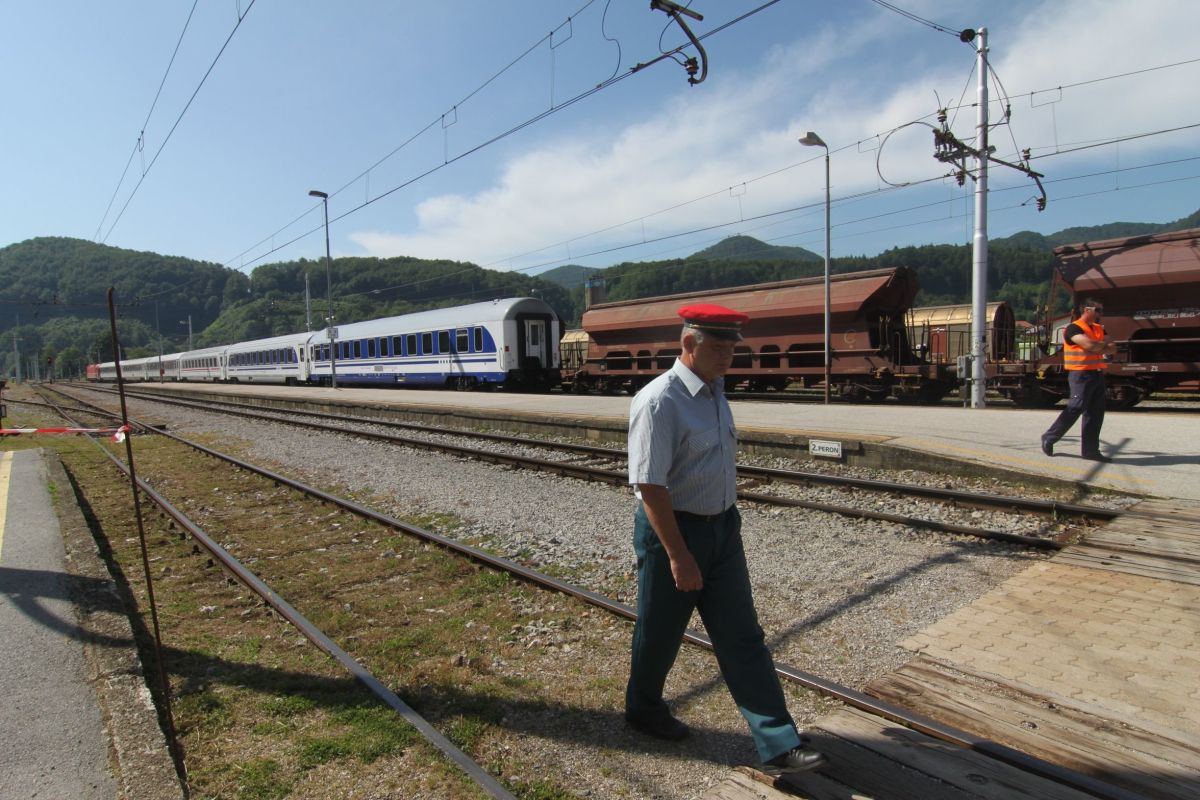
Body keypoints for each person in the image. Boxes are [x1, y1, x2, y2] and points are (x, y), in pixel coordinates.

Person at [624, 302, 827, 775]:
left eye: (733, 348)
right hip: (674, 531)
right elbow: (650, 487)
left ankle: (778, 741)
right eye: (718, 347)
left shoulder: (716, 392)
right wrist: (678, 555)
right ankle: (643, 707)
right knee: (660, 632)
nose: (728, 356)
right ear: (688, 344)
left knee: (742, 636)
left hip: (723, 528)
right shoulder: (659, 401)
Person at [1041, 297, 1117, 462]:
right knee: (1076, 406)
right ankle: (1049, 437)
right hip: (1080, 374)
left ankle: (1090, 451)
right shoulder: (1073, 328)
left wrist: (1098, 346)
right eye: (1098, 310)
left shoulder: (1099, 328)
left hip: (1097, 374)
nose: (1101, 314)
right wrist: (1101, 346)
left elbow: (1113, 348)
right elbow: (1091, 346)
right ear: (1087, 310)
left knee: (1095, 413)